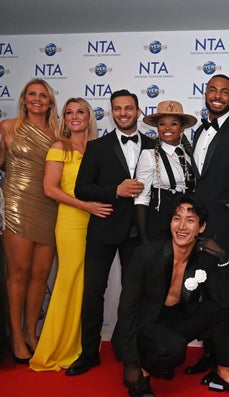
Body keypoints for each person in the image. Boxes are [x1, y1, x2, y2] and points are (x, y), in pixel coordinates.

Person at [111, 195, 229, 397]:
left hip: (175, 322)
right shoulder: (146, 254)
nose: (181, 226)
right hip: (144, 325)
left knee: (219, 310)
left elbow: (225, 302)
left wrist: (223, 260)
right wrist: (131, 363)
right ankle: (144, 369)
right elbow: (127, 307)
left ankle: (225, 373)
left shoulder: (205, 257)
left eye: (190, 220)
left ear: (201, 227)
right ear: (170, 223)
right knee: (174, 349)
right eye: (176, 218)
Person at [67, 89, 154, 376]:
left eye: (129, 108)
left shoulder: (154, 145)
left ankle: (132, 351)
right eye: (117, 108)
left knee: (135, 296)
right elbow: (82, 189)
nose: (123, 113)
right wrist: (114, 191)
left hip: (138, 231)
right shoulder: (97, 147)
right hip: (103, 227)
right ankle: (89, 353)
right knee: (93, 293)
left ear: (139, 111)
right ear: (111, 112)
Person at [30, 98, 112, 371]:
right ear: (64, 119)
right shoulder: (59, 147)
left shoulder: (99, 148)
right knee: (70, 281)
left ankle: (83, 345)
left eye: (80, 112)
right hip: (71, 222)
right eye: (69, 113)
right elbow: (50, 189)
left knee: (88, 287)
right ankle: (59, 346)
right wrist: (86, 206)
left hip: (98, 222)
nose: (75, 117)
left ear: (89, 117)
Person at [184, 74, 229, 376]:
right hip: (196, 224)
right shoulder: (197, 130)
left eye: (224, 91)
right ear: (205, 94)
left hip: (224, 225)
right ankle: (207, 355)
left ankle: (222, 362)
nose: (218, 95)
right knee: (200, 291)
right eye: (213, 90)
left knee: (221, 294)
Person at [0, 78, 59, 363]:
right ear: (23, 99)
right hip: (17, 205)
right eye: (32, 94)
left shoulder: (58, 132)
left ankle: (30, 331)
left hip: (49, 206)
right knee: (19, 274)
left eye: (43, 96)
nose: (37, 99)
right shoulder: (7, 127)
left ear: (50, 102)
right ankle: (13, 333)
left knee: (40, 276)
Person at [135, 100, 197, 243]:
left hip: (187, 223)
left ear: (182, 128)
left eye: (174, 123)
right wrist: (145, 241)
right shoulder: (148, 155)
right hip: (160, 223)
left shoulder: (190, 154)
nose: (167, 128)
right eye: (162, 124)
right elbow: (141, 199)